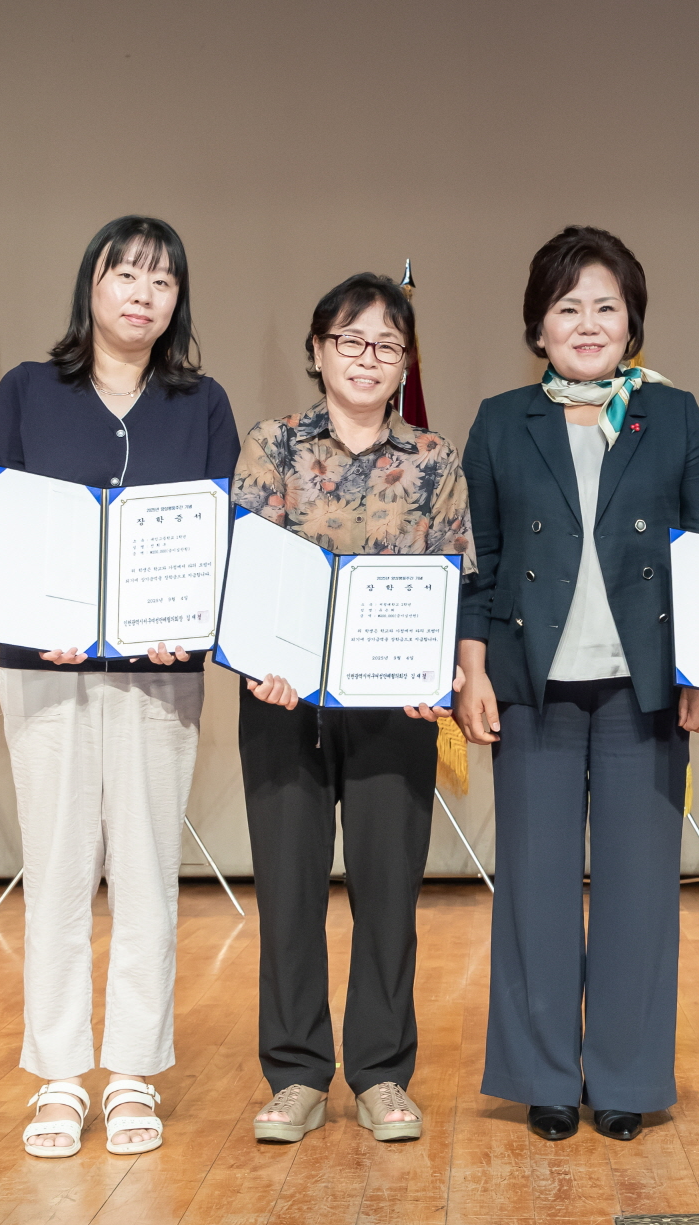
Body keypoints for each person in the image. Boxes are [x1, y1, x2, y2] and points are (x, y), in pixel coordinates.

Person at [0, 215, 239, 1158]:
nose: (142, 294)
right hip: (47, 668)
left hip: (158, 673)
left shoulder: (202, 403)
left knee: (148, 872)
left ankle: (130, 1072)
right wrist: (43, 604)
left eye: (162, 280)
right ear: (91, 282)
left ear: (177, 301)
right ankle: (57, 1075)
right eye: (126, 274)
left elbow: (220, 531)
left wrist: (186, 614)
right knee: (58, 871)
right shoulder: (28, 389)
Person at [455, 226, 699, 1143]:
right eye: (567, 306)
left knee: (639, 890)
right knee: (533, 886)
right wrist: (472, 668)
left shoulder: (674, 414)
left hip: (641, 690)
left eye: (606, 306)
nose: (587, 323)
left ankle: (625, 1077)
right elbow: (480, 562)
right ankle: (541, 1075)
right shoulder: (501, 420)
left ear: (631, 321)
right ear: (538, 326)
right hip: (531, 686)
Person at [234, 272, 472, 1146]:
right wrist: (263, 659)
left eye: (387, 345)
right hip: (283, 703)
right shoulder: (273, 444)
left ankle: (380, 1071)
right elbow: (250, 568)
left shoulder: (435, 457)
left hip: (393, 712)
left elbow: (455, 573)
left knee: (389, 896)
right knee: (289, 894)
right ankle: (296, 1073)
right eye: (350, 340)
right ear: (318, 348)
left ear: (405, 361)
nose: (368, 358)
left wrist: (435, 669)